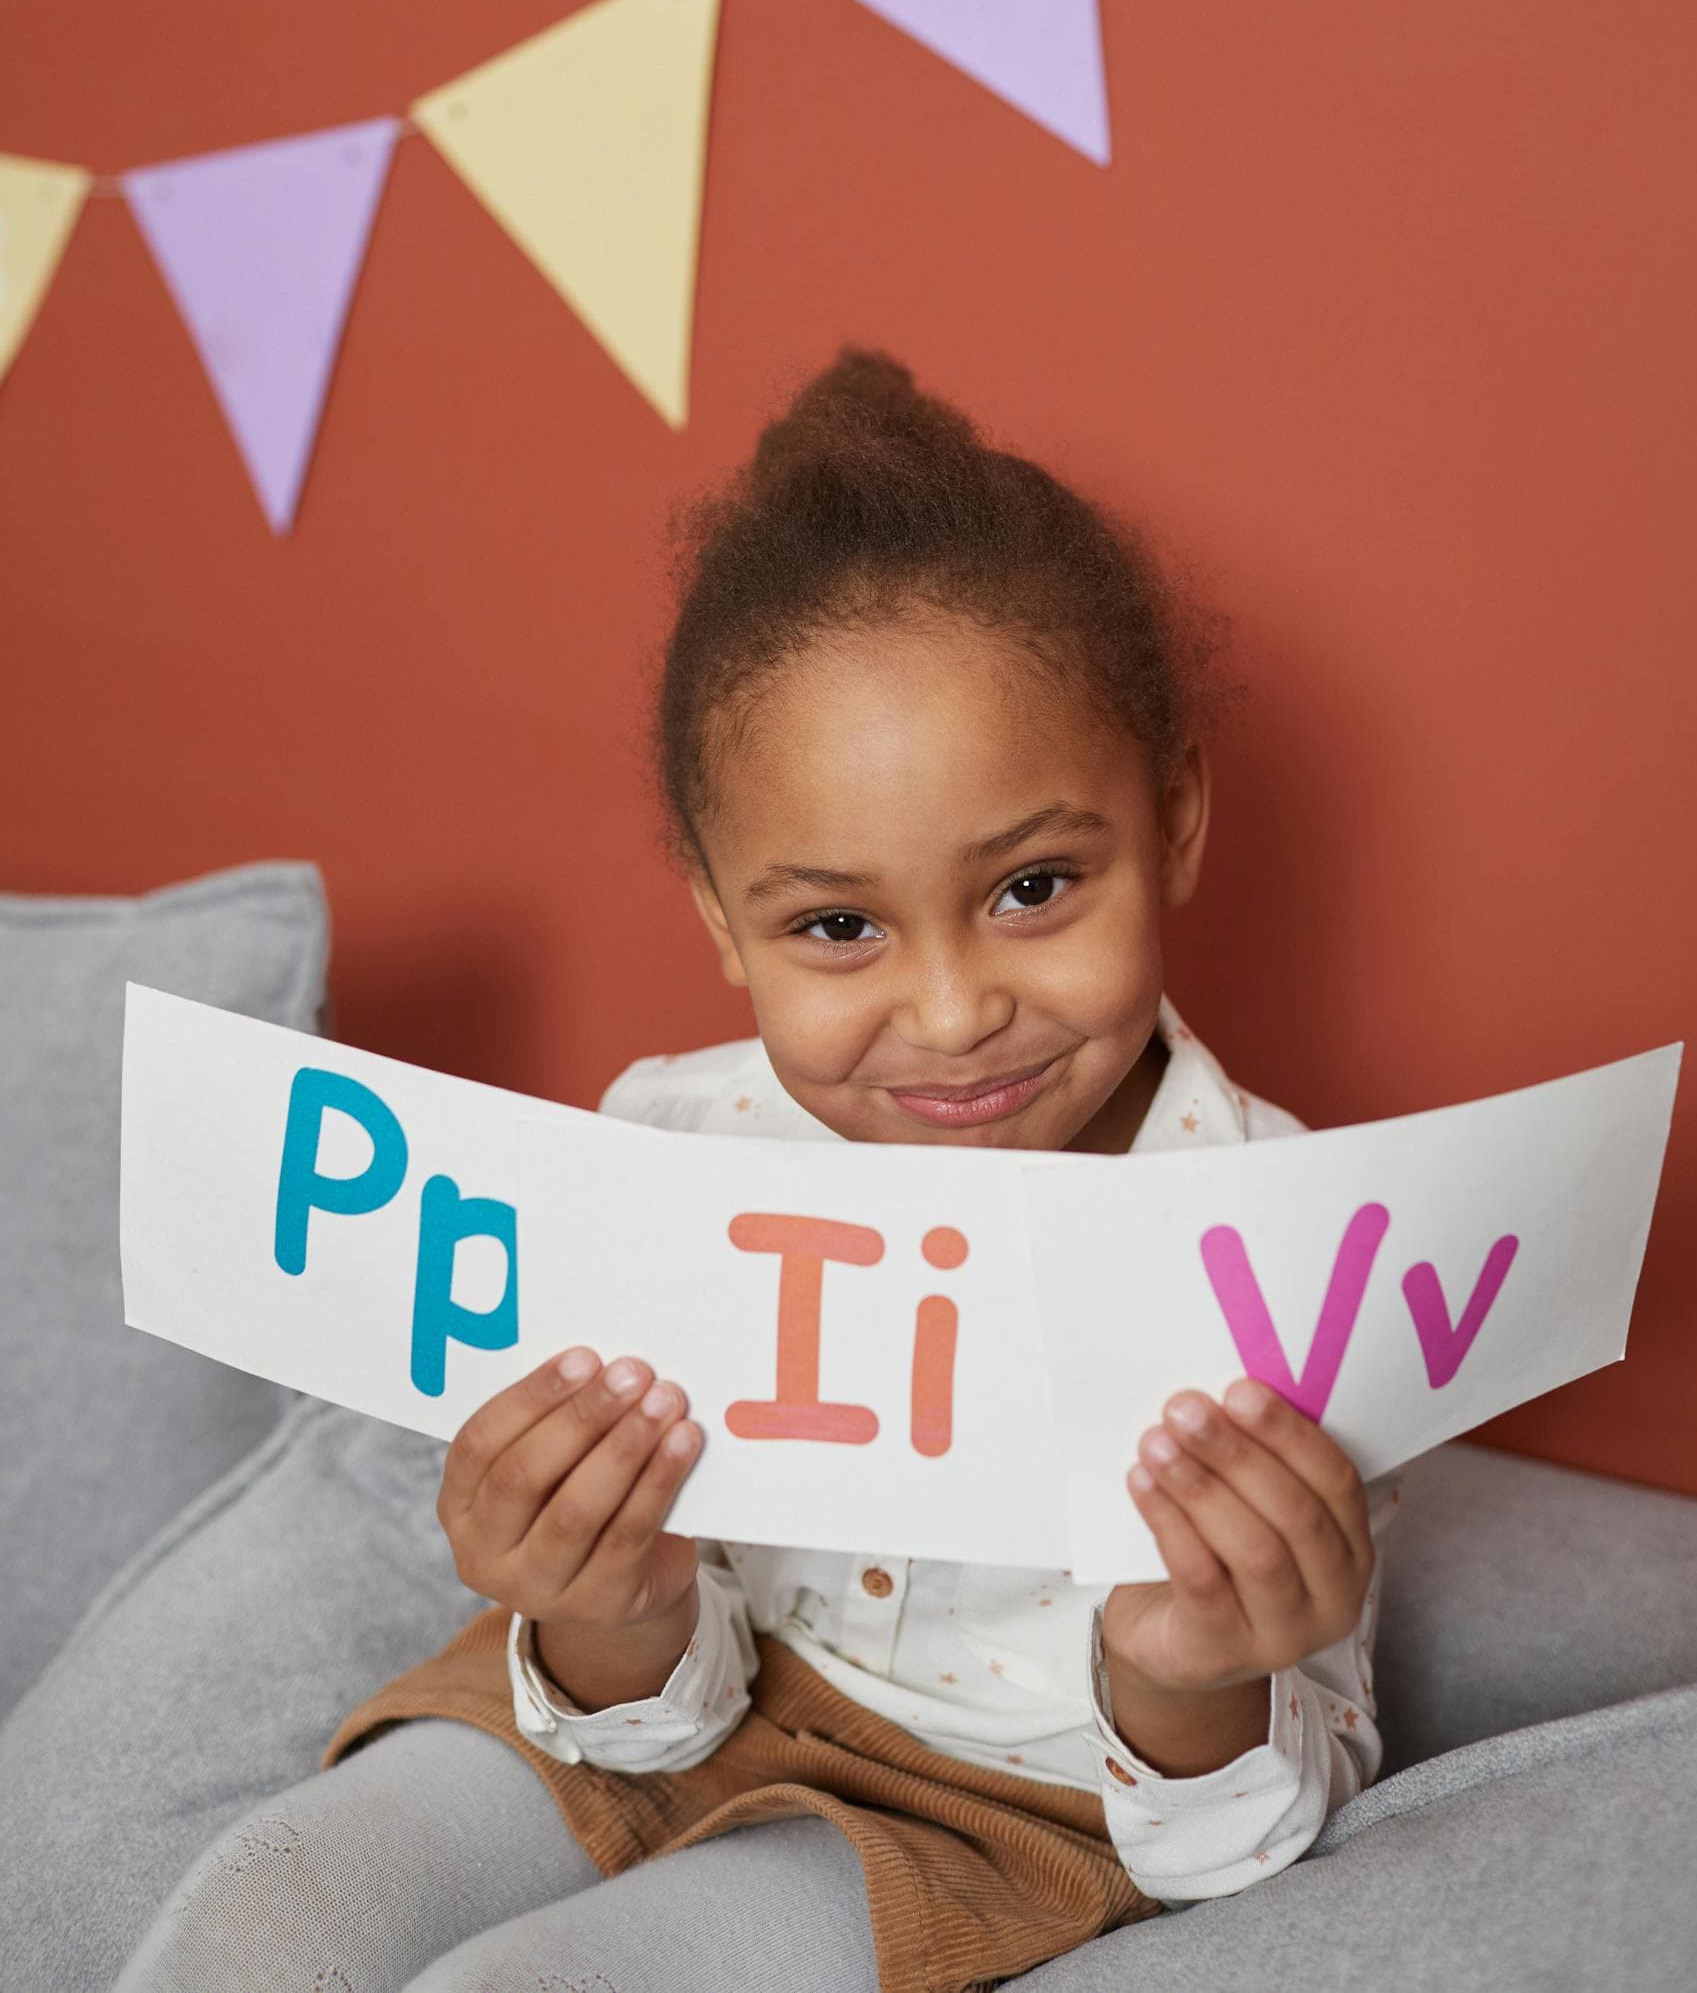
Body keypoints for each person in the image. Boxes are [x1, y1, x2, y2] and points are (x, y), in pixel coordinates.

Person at [114, 346, 1400, 1993]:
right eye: (838, 926)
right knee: (252, 1923)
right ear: (727, 925)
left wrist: (1193, 1678)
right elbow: (624, 1682)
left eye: (1034, 888)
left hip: (995, 1804)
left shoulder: (1294, 1250)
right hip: (641, 1706)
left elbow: (1254, 1820)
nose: (952, 1011)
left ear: (1176, 822)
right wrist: (603, 1606)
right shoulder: (668, 1143)